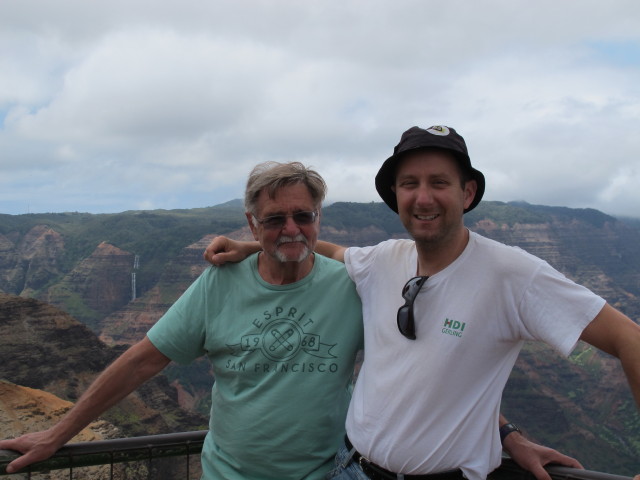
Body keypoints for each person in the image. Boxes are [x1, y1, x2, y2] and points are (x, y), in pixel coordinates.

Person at [204, 126, 640, 480]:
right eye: (409, 184)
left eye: (439, 183)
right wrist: (254, 244)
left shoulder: (513, 275)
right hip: (350, 470)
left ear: (467, 193)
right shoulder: (381, 260)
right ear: (396, 196)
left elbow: (629, 339)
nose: (423, 197)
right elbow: (327, 249)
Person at [0, 162, 364, 479]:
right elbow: (141, 362)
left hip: (331, 473)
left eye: (303, 216)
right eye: (274, 219)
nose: (291, 227)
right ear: (252, 225)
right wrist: (58, 434)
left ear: (318, 217)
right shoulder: (220, 282)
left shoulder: (353, 284)